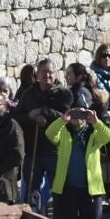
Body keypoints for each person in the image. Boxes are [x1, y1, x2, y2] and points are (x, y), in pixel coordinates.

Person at [44, 107, 110, 219]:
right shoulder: (64, 131)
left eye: (82, 113)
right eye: (75, 114)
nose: (78, 117)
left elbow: (109, 136)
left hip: (91, 189)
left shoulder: (94, 132)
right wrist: (62, 120)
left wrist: (96, 122)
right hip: (66, 187)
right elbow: (49, 133)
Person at [20, 57, 72, 210]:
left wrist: (44, 113)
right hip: (33, 150)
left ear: (55, 74)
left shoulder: (64, 94)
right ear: (37, 74)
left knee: (58, 189)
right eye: (43, 72)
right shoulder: (28, 94)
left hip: (54, 150)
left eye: (50, 72)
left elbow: (66, 116)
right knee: (31, 190)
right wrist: (30, 117)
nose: (47, 76)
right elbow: (18, 116)